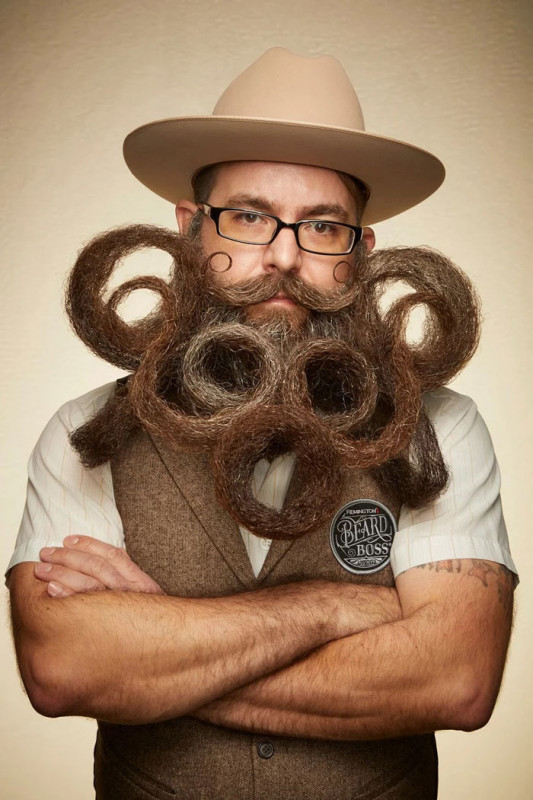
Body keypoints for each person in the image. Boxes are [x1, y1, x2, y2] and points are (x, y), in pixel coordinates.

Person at [8, 48, 517, 800]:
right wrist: (334, 607)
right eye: (248, 217)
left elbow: (455, 681)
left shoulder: (441, 429)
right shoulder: (87, 431)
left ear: (361, 254)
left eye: (323, 227)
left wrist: (155, 651)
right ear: (191, 230)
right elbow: (62, 669)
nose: (283, 257)